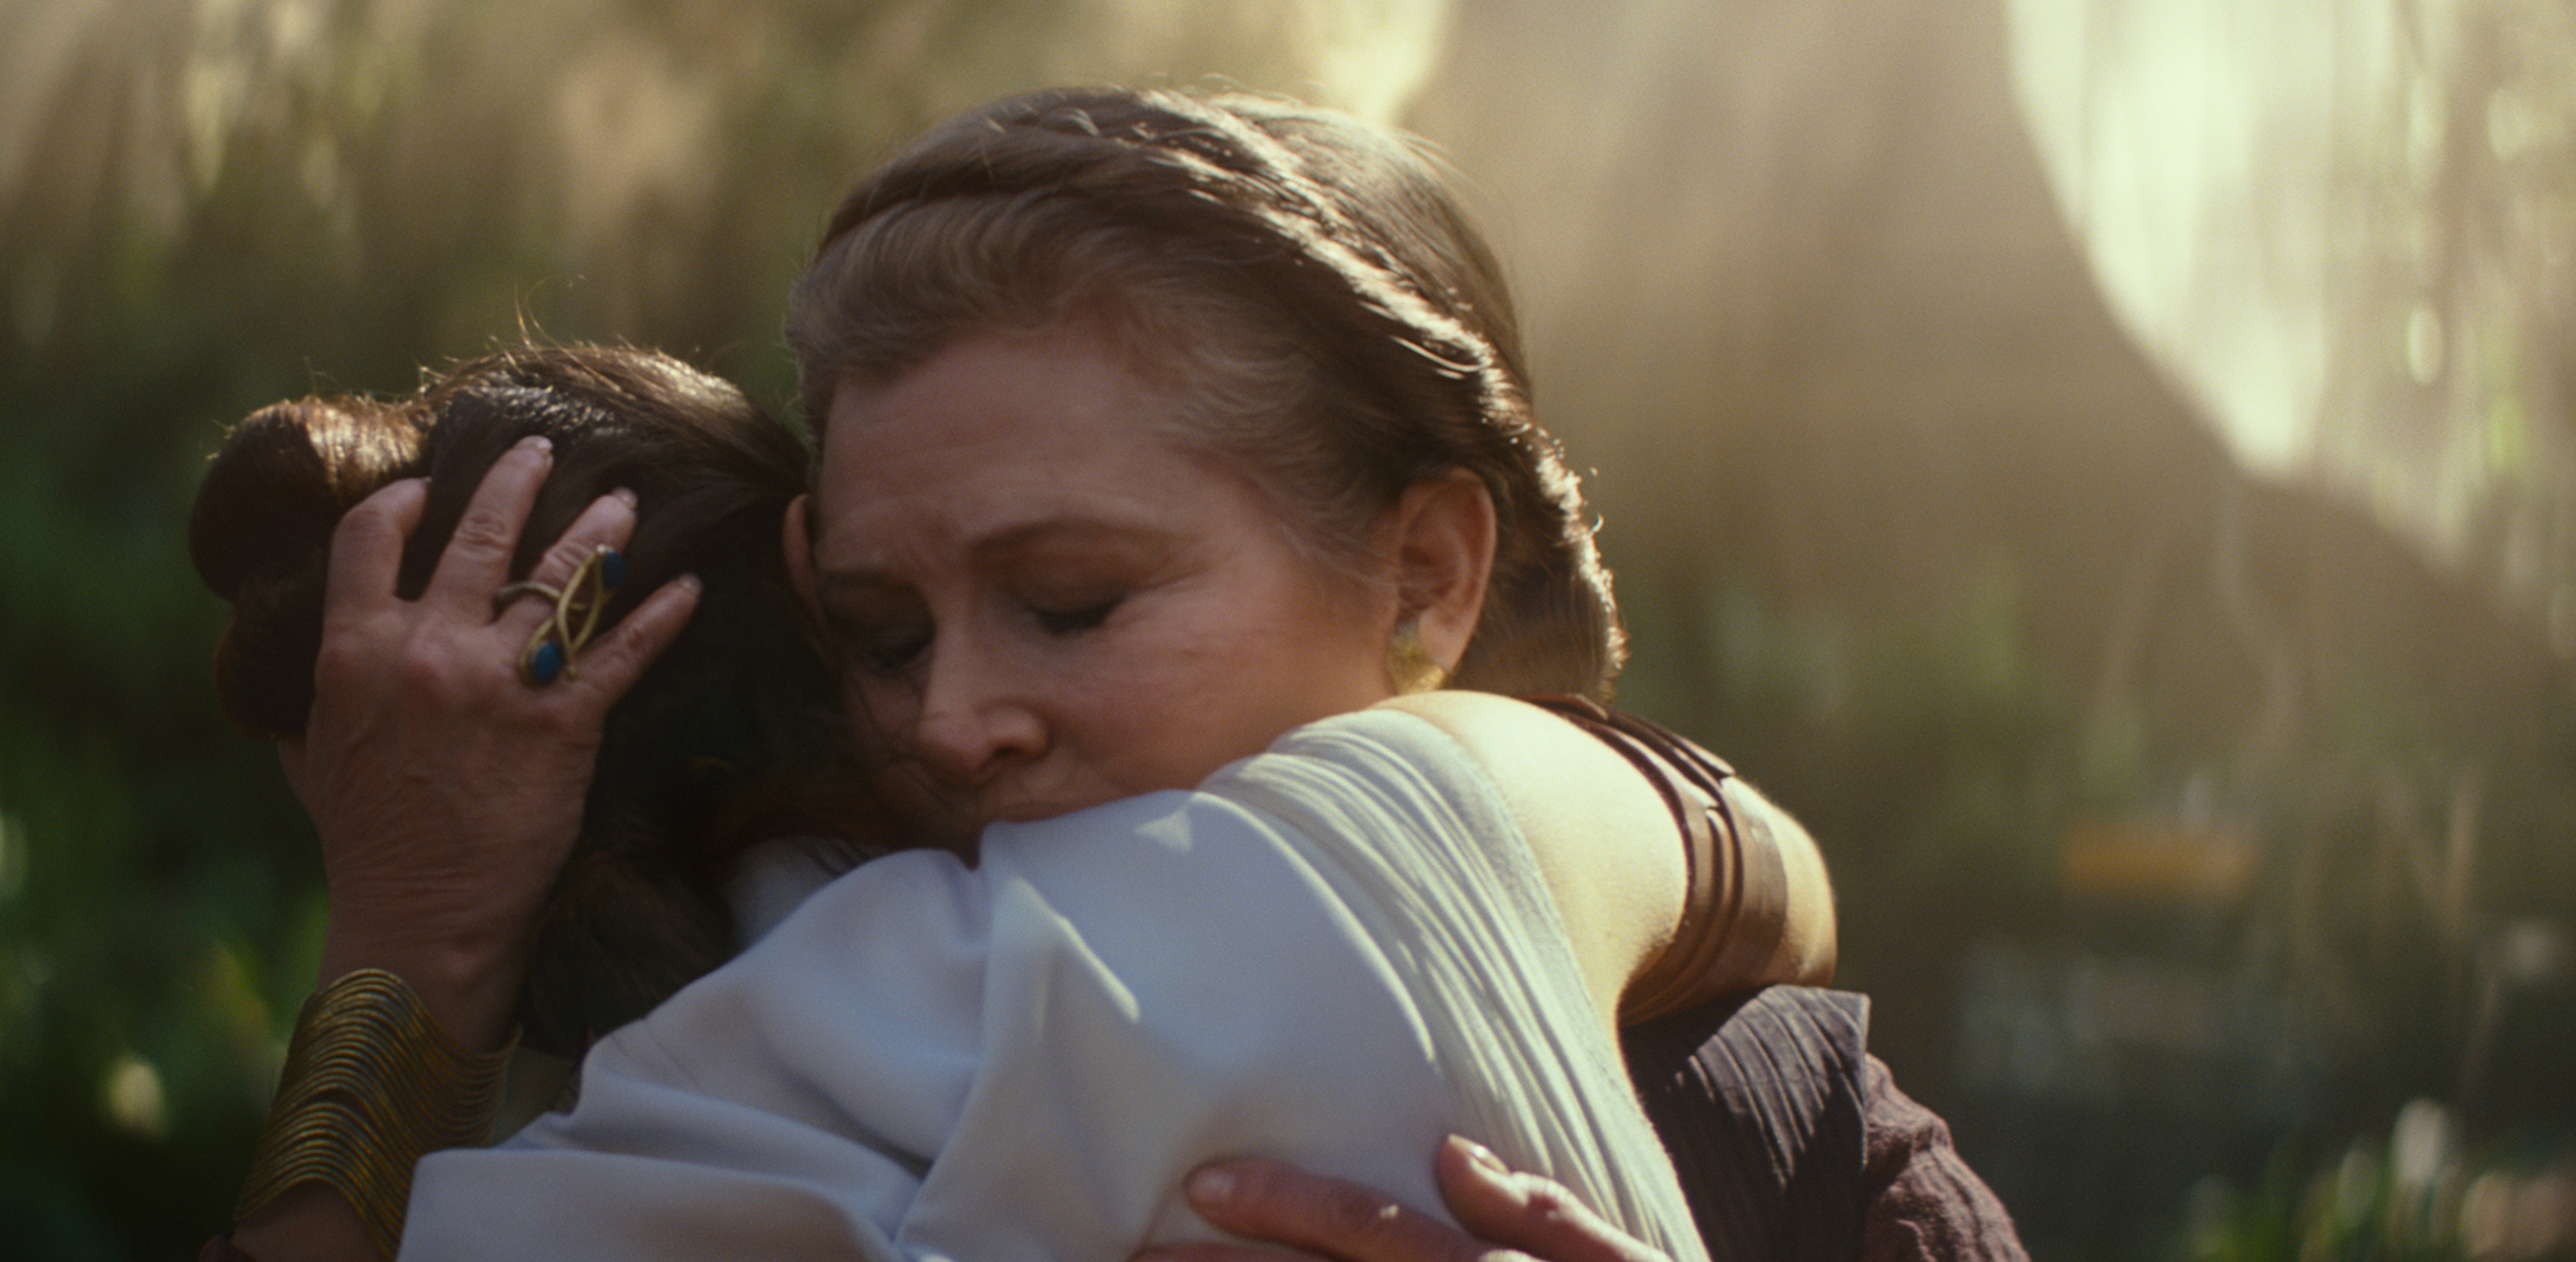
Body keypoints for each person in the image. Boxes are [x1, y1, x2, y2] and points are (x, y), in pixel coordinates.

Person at [206, 82, 2020, 1262]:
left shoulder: (1782, 1133)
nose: (949, 718)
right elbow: (1761, 866)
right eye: (880, 635)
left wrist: (403, 969)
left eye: (1071, 601)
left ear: (1424, 571)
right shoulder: (746, 1054)